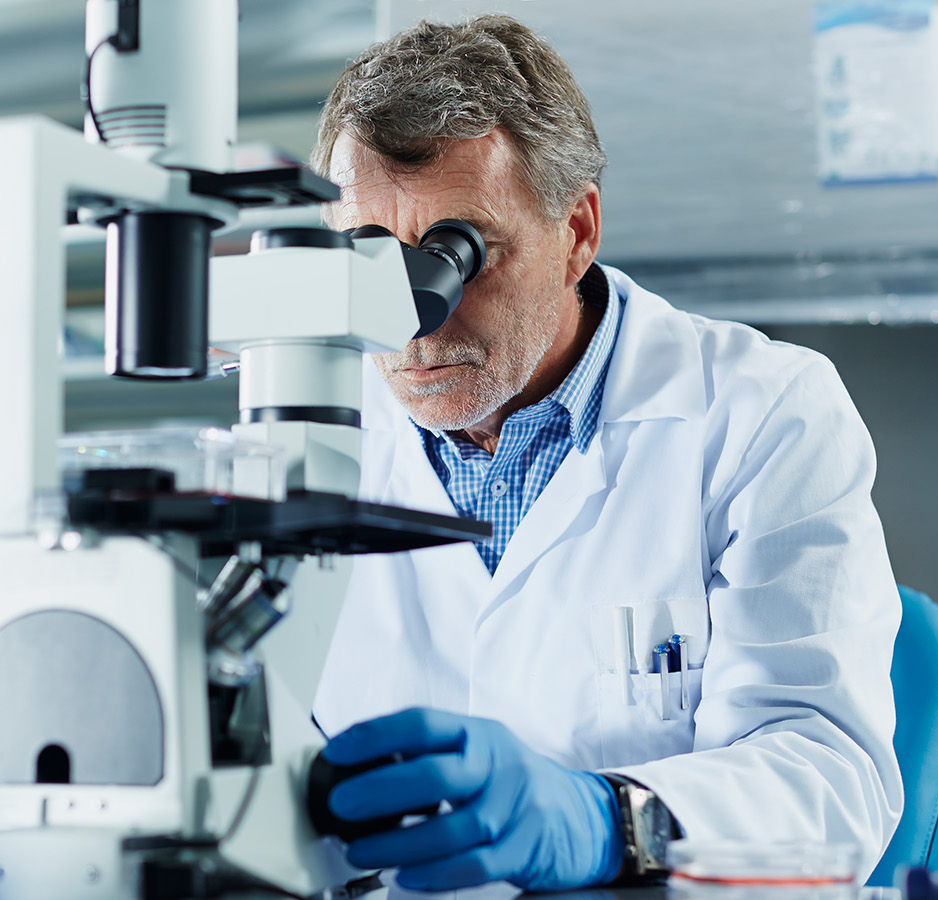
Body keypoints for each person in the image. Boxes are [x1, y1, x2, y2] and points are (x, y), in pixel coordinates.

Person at [309, 14, 904, 895]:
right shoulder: (304, 420)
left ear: (577, 232)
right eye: (373, 257)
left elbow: (829, 792)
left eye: (458, 254)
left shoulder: (764, 415)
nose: (414, 319)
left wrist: (610, 822)